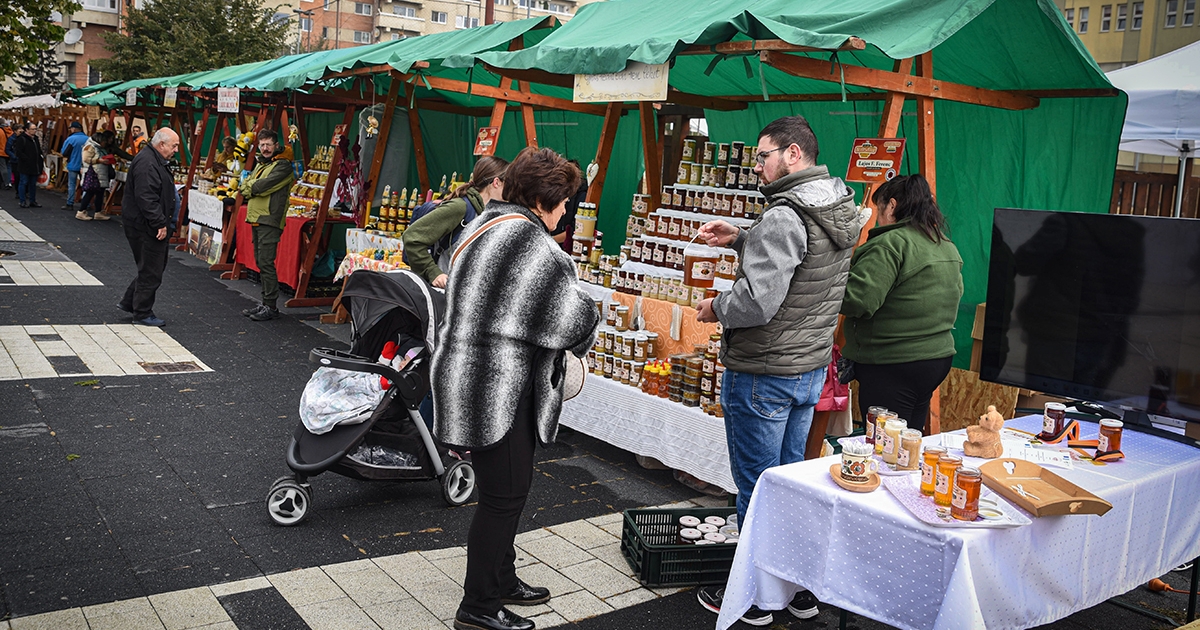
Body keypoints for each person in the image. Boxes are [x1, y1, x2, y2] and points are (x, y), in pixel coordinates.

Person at [692, 116, 864, 627]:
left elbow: (757, 302)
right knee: (790, 483)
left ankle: (751, 598)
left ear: (792, 154)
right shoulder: (838, 202)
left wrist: (715, 308)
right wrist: (746, 235)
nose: (757, 165)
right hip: (809, 367)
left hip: (765, 369)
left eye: (762, 154)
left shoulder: (785, 215)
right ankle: (796, 590)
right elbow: (805, 265)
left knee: (759, 488)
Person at [433, 147, 599, 630]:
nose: (566, 210)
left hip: (474, 378)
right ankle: (479, 606)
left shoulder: (484, 225)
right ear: (544, 200)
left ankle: (502, 580)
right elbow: (568, 323)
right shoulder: (531, 244)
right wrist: (592, 311)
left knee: (505, 491)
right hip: (497, 389)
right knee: (504, 499)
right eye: (564, 200)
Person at [841, 175, 963, 434]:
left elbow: (859, 300)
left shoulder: (890, 244)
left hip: (893, 362)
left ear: (892, 206)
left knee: (885, 447)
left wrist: (825, 285)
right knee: (909, 442)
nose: (878, 217)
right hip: (935, 360)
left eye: (879, 209)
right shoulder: (944, 244)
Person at [402, 156, 508, 288]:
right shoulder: (460, 207)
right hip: (441, 294)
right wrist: (434, 273)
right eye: (508, 184)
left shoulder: (485, 212)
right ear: (496, 182)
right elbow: (412, 237)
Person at [118, 128, 180, 327]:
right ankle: (142, 312)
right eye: (174, 146)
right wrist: (159, 222)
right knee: (151, 269)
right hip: (145, 225)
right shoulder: (148, 162)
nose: (176, 150)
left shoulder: (152, 159)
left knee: (151, 266)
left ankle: (130, 302)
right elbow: (146, 197)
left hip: (144, 223)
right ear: (161, 144)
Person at [239, 129, 296, 321]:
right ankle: (265, 303)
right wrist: (250, 186)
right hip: (257, 218)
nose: (265, 148)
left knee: (266, 262)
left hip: (269, 219)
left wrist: (250, 186)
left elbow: (258, 187)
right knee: (260, 262)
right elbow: (246, 185)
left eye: (268, 144)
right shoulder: (262, 164)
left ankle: (271, 306)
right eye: (262, 145)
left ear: (276, 145)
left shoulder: (283, 166)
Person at [77, 130, 118, 221]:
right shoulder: (90, 147)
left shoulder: (99, 148)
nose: (105, 143)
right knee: (90, 193)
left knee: (100, 193)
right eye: (104, 141)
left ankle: (98, 212)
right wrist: (99, 161)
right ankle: (81, 211)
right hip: (94, 174)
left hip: (101, 174)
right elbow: (86, 158)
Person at [549, 159, 587, 252]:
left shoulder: (583, 197)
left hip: (574, 251)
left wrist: (550, 240)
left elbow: (577, 231)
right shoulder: (560, 193)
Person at [12, 122, 44, 208]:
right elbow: (18, 152)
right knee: (24, 182)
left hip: (35, 165)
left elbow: (38, 150)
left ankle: (32, 201)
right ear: (27, 130)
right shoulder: (22, 139)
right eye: (33, 129)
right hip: (25, 166)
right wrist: (26, 159)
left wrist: (40, 159)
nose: (34, 131)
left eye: (35, 129)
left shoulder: (35, 139)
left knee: (33, 184)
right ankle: (22, 201)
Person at [60, 121, 89, 212]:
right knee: (85, 185)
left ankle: (70, 203)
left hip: (73, 164)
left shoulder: (70, 139)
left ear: (74, 129)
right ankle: (85, 204)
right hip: (85, 165)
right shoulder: (88, 139)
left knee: (72, 185)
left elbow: (64, 153)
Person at [0, 120, 12, 190]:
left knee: (3, 167)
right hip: (9, 151)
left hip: (1, 151)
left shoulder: (0, 131)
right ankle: (9, 181)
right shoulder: (9, 130)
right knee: (8, 167)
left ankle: (6, 182)